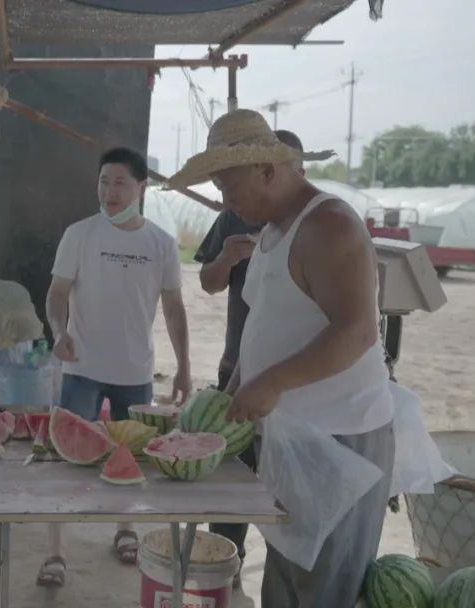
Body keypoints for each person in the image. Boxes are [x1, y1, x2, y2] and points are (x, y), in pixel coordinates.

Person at [168, 109, 395, 606]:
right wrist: (233, 390)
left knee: (325, 584)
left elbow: (356, 332)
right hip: (293, 438)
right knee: (288, 577)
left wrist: (271, 383)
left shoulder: (329, 224)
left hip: (342, 438)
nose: (224, 201)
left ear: (266, 171)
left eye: (228, 188)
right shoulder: (270, 230)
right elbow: (268, 322)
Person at [40, 147, 191, 587]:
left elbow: (175, 308)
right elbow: (57, 292)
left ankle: (126, 530)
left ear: (142, 187)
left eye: (120, 182)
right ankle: (55, 552)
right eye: (104, 181)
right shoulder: (79, 234)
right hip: (81, 368)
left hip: (135, 373)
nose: (110, 191)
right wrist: (58, 330)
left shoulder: (160, 243)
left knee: (131, 460)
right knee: (64, 462)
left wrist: (183, 366)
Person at [194, 129, 305, 588]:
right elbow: (208, 281)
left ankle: (279, 576)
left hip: (293, 392)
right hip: (237, 374)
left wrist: (277, 382)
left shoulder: (318, 222)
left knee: (290, 508)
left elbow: (354, 330)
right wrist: (226, 258)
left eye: (297, 170)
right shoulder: (234, 219)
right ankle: (226, 570)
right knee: (229, 490)